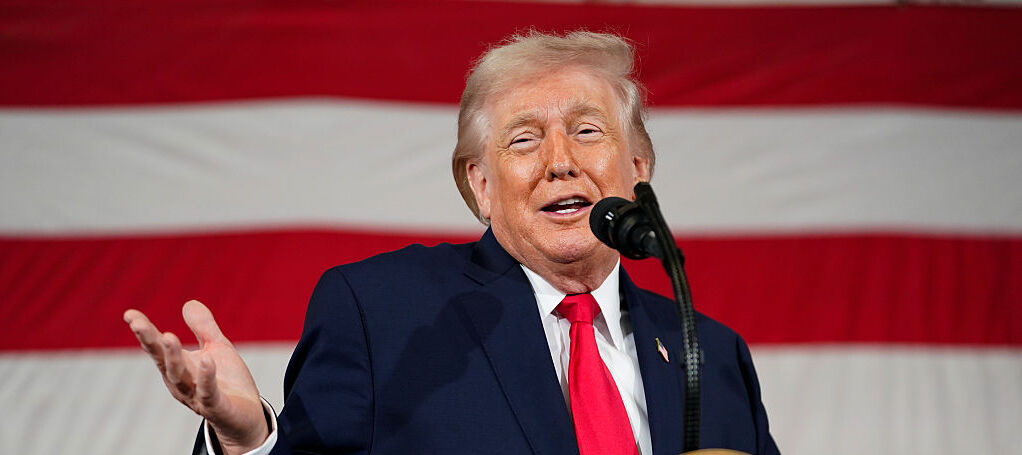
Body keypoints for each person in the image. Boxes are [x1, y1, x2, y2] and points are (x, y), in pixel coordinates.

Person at [124, 31, 780, 455]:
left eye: (587, 131)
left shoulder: (712, 354)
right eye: (524, 139)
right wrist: (249, 441)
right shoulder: (384, 312)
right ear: (482, 184)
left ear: (639, 168)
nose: (560, 162)